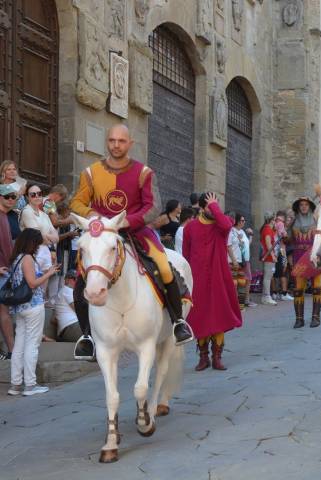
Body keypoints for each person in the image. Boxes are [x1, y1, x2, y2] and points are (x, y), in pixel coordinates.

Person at [69, 124, 193, 360]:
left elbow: (153, 206)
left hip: (135, 233)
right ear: (108, 142)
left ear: (130, 143)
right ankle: (86, 336)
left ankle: (177, 322)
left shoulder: (143, 172)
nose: (116, 145)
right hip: (101, 236)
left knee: (164, 267)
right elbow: (77, 202)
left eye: (121, 141)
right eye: (112, 140)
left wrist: (127, 221)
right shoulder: (91, 172)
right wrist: (93, 216)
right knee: (80, 280)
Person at [183, 193, 242, 371]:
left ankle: (217, 357)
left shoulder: (220, 225)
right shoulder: (190, 227)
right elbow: (186, 254)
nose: (214, 209)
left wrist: (215, 207)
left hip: (219, 276)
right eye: (209, 206)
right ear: (201, 208)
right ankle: (203, 357)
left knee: (218, 314)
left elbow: (226, 224)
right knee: (200, 316)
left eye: (215, 205)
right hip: (198, 276)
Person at [7, 228, 60, 396]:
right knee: (32, 344)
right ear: (31, 243)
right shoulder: (28, 258)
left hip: (20, 307)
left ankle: (16, 384)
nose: (38, 247)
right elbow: (32, 283)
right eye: (37, 244)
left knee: (19, 345)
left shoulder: (16, 258)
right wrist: (49, 273)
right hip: (33, 305)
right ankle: (30, 384)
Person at [290, 196, 321, 328]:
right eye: (301, 205)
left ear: (309, 207)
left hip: (314, 256)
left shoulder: (316, 220)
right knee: (298, 289)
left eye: (306, 205)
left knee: (316, 288)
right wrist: (286, 229)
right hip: (299, 258)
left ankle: (316, 317)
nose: (304, 207)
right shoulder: (293, 222)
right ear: (298, 207)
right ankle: (299, 319)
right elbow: (287, 240)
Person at [0, 184, 18, 360]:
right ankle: (12, 350)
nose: (11, 200)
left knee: (4, 311)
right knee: (3, 312)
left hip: (6, 270)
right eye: (7, 196)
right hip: (2, 270)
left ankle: (12, 350)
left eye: (14, 197)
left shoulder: (5, 216)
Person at [54, 270, 82, 342]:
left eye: (78, 280)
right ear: (67, 279)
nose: (76, 281)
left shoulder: (63, 291)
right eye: (74, 279)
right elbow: (79, 310)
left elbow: (53, 320)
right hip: (71, 326)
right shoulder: (67, 290)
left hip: (67, 329)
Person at [273, 210, 292, 301]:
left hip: (275, 250)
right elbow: (283, 236)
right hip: (281, 250)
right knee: (284, 270)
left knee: (275, 273)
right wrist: (287, 236)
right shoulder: (280, 223)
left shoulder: (274, 223)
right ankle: (284, 293)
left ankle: (275, 293)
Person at [260, 212, 278, 305]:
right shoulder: (267, 229)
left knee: (268, 276)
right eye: (275, 219)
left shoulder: (269, 229)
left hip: (269, 256)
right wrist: (273, 255)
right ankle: (266, 296)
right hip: (268, 257)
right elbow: (268, 244)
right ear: (272, 220)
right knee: (267, 277)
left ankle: (265, 296)